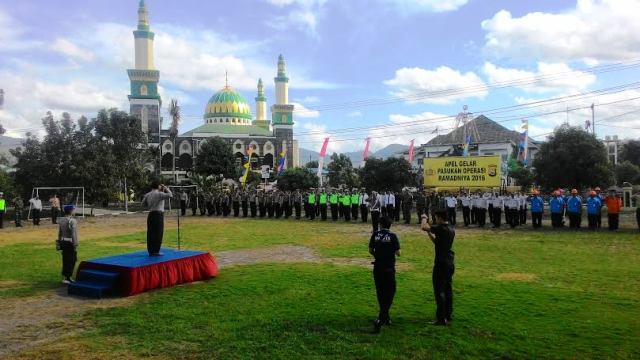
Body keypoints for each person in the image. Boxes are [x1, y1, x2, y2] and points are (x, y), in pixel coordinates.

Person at [421, 210, 455, 326]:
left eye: (436, 218)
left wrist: (424, 218)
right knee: (448, 289)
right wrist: (429, 234)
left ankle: (441, 318)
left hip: (441, 263)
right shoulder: (450, 228)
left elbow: (424, 227)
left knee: (439, 290)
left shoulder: (441, 228)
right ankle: (448, 314)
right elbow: (437, 242)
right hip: (450, 262)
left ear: (440, 218)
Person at [369, 216, 401, 334]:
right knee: (390, 292)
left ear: (380, 224)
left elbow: (370, 250)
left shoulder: (375, 235)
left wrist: (378, 255)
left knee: (380, 292)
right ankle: (382, 318)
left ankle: (384, 316)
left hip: (378, 267)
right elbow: (398, 253)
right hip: (389, 268)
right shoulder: (393, 236)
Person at [141, 180, 173, 256]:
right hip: (158, 215)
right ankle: (156, 251)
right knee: (158, 233)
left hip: (151, 214)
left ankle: (150, 251)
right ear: (158, 186)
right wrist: (165, 188)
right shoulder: (160, 194)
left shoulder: (147, 194)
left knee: (150, 233)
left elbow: (142, 204)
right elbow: (170, 195)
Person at [58, 204, 79, 284]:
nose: (74, 211)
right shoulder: (73, 221)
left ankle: (64, 277)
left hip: (63, 241)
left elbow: (60, 232)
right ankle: (68, 277)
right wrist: (75, 243)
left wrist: (59, 242)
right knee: (72, 260)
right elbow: (73, 233)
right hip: (70, 242)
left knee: (65, 259)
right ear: (70, 211)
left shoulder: (61, 220)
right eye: (73, 209)